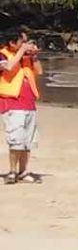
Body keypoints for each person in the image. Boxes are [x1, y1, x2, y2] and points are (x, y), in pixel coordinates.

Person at [0, 27, 44, 184]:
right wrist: (22, 52)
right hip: (12, 102)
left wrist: (34, 56)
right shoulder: (3, 54)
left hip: (29, 102)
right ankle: (12, 171)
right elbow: (8, 67)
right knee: (16, 139)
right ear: (12, 43)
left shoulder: (26, 57)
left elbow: (39, 71)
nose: (25, 44)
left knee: (27, 140)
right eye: (22, 42)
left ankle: (23, 171)